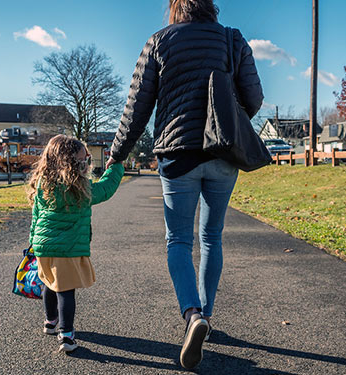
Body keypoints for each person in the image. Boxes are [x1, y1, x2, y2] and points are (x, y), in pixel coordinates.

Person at [106, 0, 263, 369]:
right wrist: (227, 116)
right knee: (213, 237)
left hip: (178, 155)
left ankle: (193, 316)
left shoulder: (159, 42)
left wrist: (117, 153)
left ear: (175, 8)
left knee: (178, 240)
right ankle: (207, 312)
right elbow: (254, 98)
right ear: (211, 6)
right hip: (223, 153)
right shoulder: (232, 40)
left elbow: (136, 109)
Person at [28, 135, 124, 353]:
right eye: (83, 161)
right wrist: (116, 166)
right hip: (68, 248)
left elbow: (36, 214)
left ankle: (50, 322)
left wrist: (33, 239)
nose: (86, 164)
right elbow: (107, 188)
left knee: (50, 284)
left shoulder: (43, 184)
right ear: (70, 165)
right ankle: (67, 335)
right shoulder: (80, 188)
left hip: (43, 247)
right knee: (66, 291)